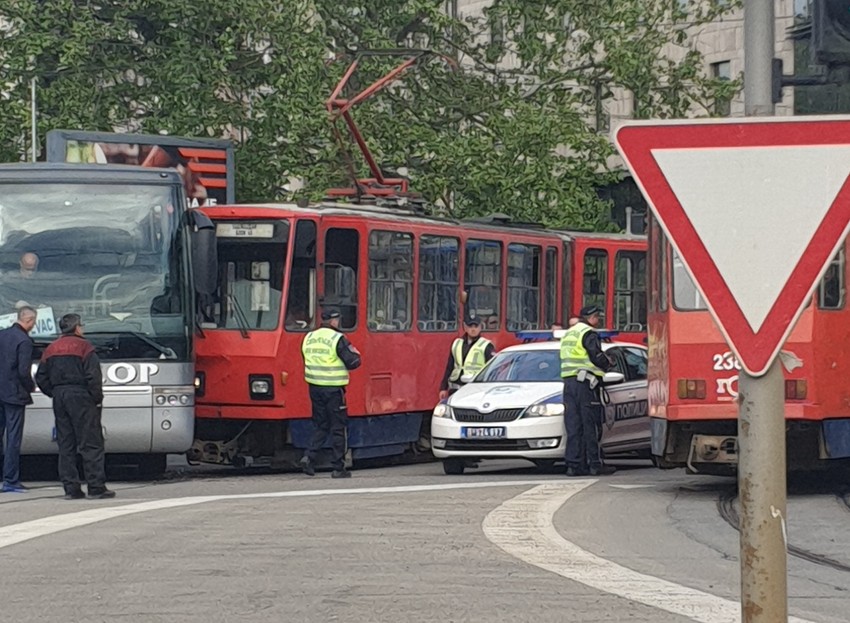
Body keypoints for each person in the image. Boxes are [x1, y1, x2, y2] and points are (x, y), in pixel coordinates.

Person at [35, 314, 115, 500]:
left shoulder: (51, 348)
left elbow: (41, 377)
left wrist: (53, 392)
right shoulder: (85, 347)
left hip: (60, 396)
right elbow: (93, 377)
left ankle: (71, 489)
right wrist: (96, 398)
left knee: (66, 443)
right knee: (91, 443)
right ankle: (96, 487)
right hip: (81, 395)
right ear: (77, 328)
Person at [299, 308, 362, 478]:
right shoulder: (337, 338)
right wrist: (356, 354)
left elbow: (305, 359)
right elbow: (354, 362)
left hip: (314, 387)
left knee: (321, 425)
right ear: (334, 321)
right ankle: (338, 468)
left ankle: (308, 457)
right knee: (338, 427)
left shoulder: (309, 337)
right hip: (333, 389)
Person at [560, 305, 616, 477]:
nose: (597, 321)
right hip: (586, 384)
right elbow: (595, 355)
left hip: (569, 383)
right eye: (597, 317)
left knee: (573, 425)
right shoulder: (589, 333)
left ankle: (573, 465)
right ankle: (594, 464)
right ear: (592, 318)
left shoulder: (569, 333)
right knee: (590, 424)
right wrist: (608, 363)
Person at [0, 306, 37, 493]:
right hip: (14, 394)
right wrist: (30, 386)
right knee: (13, 438)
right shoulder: (24, 340)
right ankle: (10, 480)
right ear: (29, 320)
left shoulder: (2, 334)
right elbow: (23, 371)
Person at [438, 313, 496, 401]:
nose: (473, 329)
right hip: (455, 389)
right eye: (470, 326)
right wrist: (443, 388)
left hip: (475, 389)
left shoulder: (486, 345)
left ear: (480, 327)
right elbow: (449, 367)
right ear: (465, 327)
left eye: (476, 326)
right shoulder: (457, 343)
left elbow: (491, 370)